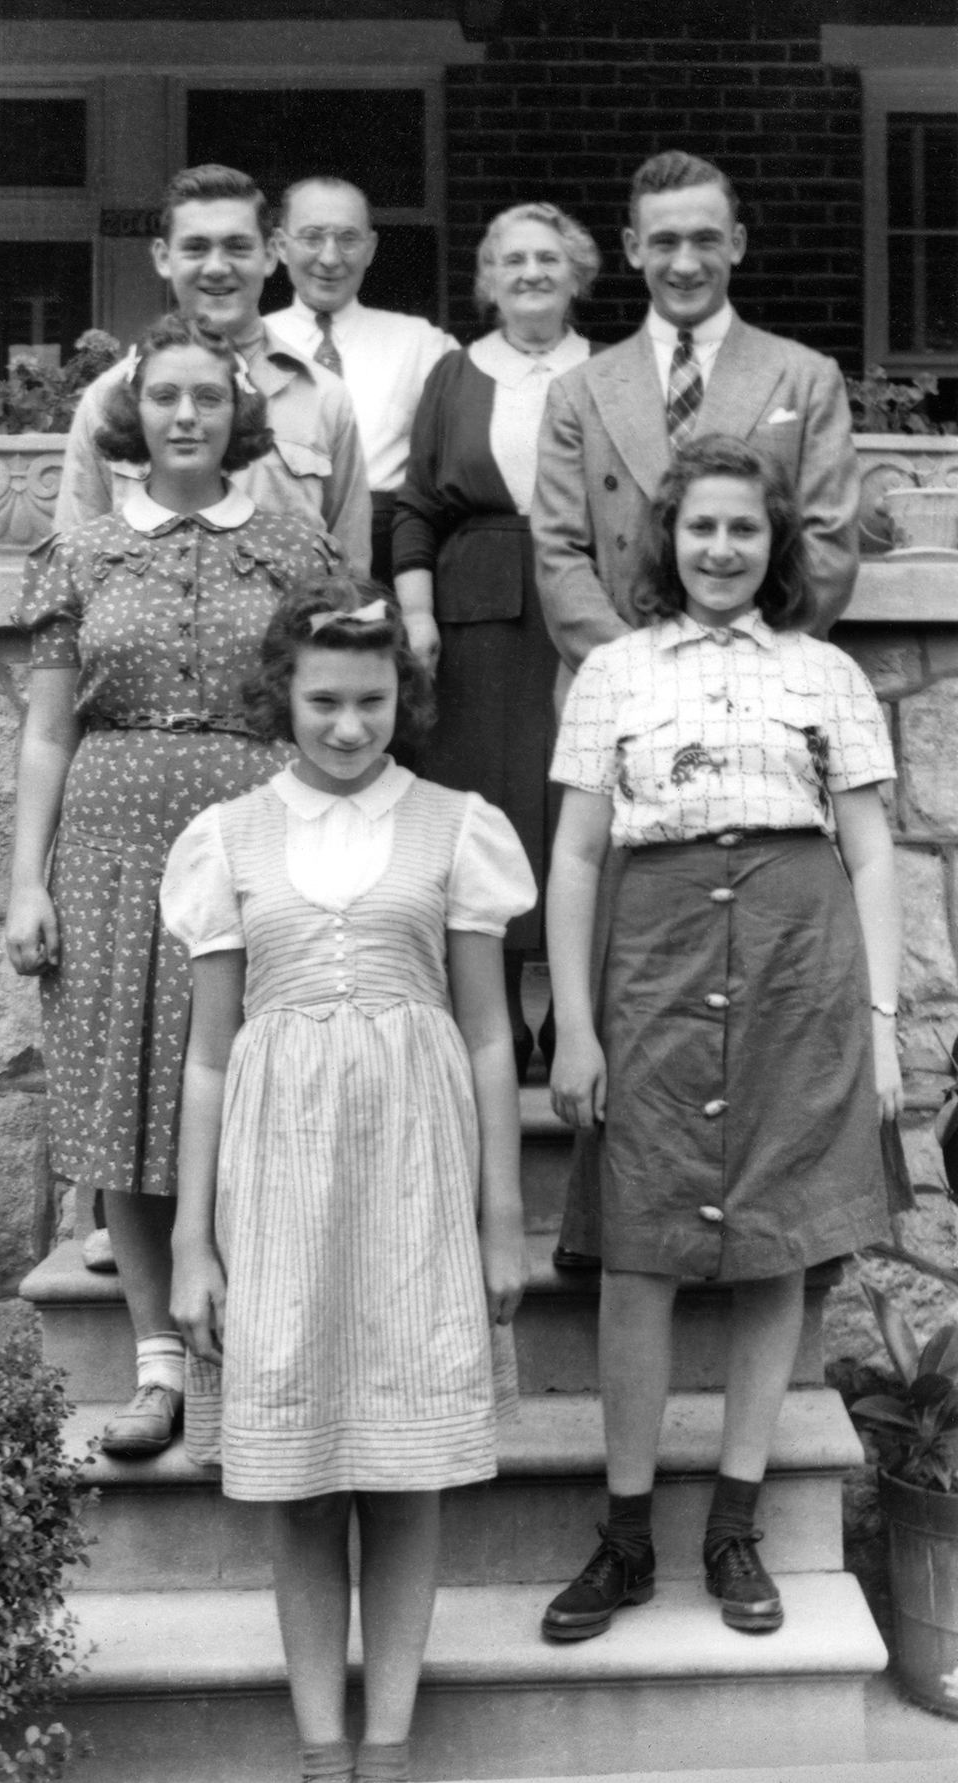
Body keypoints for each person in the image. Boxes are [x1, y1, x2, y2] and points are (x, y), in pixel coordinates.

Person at [160, 577, 533, 1782]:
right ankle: (321, 1747)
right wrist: (189, 1243)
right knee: (303, 1482)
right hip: (278, 1187)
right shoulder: (226, 839)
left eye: (370, 702)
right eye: (322, 701)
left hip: (416, 1180)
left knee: (407, 1477)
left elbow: (486, 1035)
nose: (345, 727)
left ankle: (389, 1747)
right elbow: (211, 1055)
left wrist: (501, 1215)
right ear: (284, 696)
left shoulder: (456, 825)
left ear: (400, 700)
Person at [540, 434, 900, 1644]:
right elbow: (579, 853)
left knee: (775, 1248)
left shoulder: (824, 675)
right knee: (639, 1250)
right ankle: (627, 1532)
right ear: (667, 538)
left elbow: (867, 852)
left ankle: (734, 1521)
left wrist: (883, 1028)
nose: (721, 548)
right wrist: (575, 1030)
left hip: (802, 967)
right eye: (700, 526)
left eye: (744, 528)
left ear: (775, 543)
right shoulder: (614, 673)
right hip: (652, 961)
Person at [5, 314, 339, 1459]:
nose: (185, 416)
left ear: (239, 415)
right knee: (131, 1090)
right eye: (163, 399)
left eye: (206, 397)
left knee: (256, 1088)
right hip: (113, 847)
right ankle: (158, 1369)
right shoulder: (84, 552)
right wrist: (25, 884)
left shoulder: (297, 553)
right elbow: (48, 732)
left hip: (261, 834)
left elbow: (331, 708)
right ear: (130, 416)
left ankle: (253, 1352)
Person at [532, 149, 862, 1265]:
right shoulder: (581, 390)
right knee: (643, 993)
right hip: (624, 715)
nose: (682, 259)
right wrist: (651, 669)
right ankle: (622, 1227)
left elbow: (820, 543)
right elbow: (561, 550)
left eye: (702, 237)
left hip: (759, 710)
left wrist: (736, 667)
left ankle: (768, 1230)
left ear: (737, 244)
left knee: (755, 1008)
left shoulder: (801, 376)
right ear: (629, 250)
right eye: (660, 239)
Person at [393, 201, 600, 1078]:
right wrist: (416, 612)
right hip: (473, 620)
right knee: (491, 809)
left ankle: (574, 1015)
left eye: (548, 259)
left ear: (577, 273)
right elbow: (415, 507)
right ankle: (501, 1016)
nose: (530, 274)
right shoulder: (454, 373)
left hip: (584, 610)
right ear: (489, 279)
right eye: (511, 260)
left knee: (576, 805)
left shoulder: (612, 370)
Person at [55, 163, 371, 576]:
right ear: (164, 258)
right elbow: (71, 562)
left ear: (272, 254)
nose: (218, 267)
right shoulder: (110, 398)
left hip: (285, 637)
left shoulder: (323, 397)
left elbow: (350, 571)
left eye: (238, 247)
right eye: (196, 247)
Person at [265, 176, 458, 583]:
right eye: (312, 237)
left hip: (388, 554)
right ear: (281, 246)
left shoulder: (422, 344)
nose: (331, 258)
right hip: (271, 548)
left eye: (348, 239)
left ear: (370, 249)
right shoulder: (252, 343)